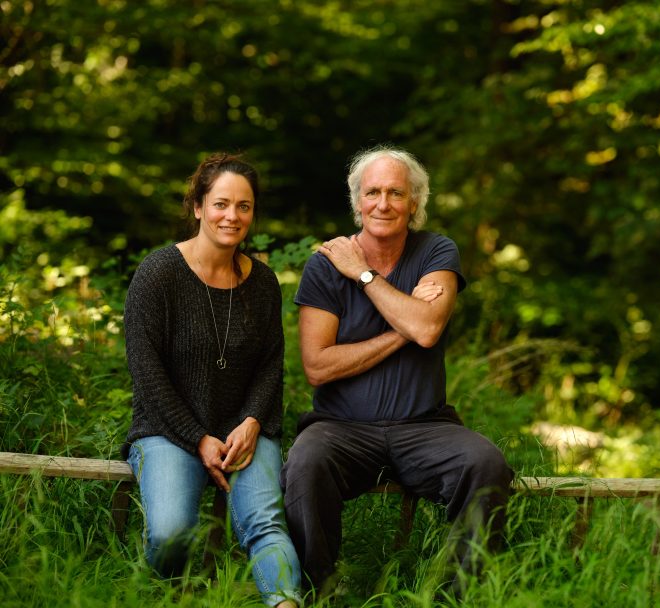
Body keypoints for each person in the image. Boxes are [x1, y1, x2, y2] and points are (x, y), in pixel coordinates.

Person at [280, 145, 513, 593]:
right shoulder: (326, 264)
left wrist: (364, 275)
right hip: (341, 428)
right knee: (305, 463)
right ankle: (318, 592)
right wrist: (404, 328)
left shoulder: (436, 251)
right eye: (372, 193)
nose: (383, 204)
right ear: (357, 201)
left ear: (414, 202)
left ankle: (455, 596)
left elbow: (428, 330)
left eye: (396, 193)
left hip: (424, 426)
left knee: (485, 463)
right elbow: (318, 366)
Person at [123, 153, 301, 607]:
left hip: (243, 430)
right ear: (199, 206)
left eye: (244, 206)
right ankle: (172, 597)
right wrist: (197, 437)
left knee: (265, 523)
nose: (232, 216)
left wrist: (253, 420)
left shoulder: (263, 282)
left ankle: (286, 602)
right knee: (170, 533)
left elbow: (271, 364)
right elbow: (146, 374)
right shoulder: (158, 274)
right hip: (168, 430)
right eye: (221, 203)